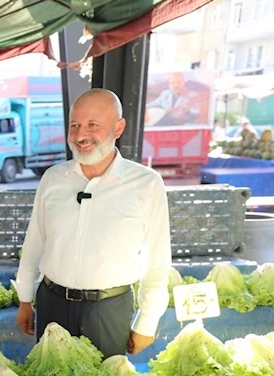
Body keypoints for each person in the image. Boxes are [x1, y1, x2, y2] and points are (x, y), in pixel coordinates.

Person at [16, 89, 171, 357]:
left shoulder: (146, 183)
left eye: (92, 125)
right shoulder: (53, 178)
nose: (80, 135)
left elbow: (157, 259)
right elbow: (34, 243)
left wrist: (147, 321)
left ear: (118, 128)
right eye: (74, 125)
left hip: (108, 310)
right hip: (52, 305)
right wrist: (25, 299)